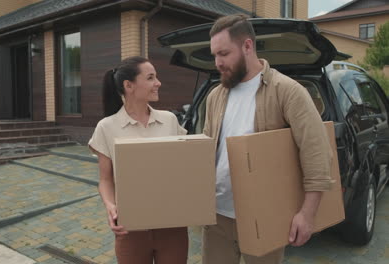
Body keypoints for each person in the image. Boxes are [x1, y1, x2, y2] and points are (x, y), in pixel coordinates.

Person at [202, 14, 334, 264]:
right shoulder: (215, 96)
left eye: (224, 53)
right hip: (217, 217)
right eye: (214, 55)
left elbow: (317, 153)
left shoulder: (288, 91)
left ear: (247, 46)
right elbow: (207, 151)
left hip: (264, 216)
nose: (217, 62)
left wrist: (307, 214)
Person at [88, 56, 188, 264]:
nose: (158, 83)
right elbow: (106, 180)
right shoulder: (106, 127)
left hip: (172, 224)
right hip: (130, 229)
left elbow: (182, 169)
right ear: (129, 85)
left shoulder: (169, 120)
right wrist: (110, 206)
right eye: (151, 78)